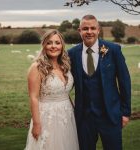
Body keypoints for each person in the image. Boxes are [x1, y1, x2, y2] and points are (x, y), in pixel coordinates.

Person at [68, 15, 131, 150]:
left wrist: (125, 112)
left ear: (98, 30)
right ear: (79, 31)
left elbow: (124, 81)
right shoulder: (72, 53)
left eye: (92, 28)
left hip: (110, 115)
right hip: (84, 117)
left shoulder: (113, 50)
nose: (89, 31)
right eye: (85, 28)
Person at [24, 29, 79, 150]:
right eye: (49, 43)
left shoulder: (65, 65)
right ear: (44, 45)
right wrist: (37, 124)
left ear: (62, 45)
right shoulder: (37, 67)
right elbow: (33, 97)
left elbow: (65, 92)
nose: (53, 46)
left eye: (57, 43)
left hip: (67, 115)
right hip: (47, 117)